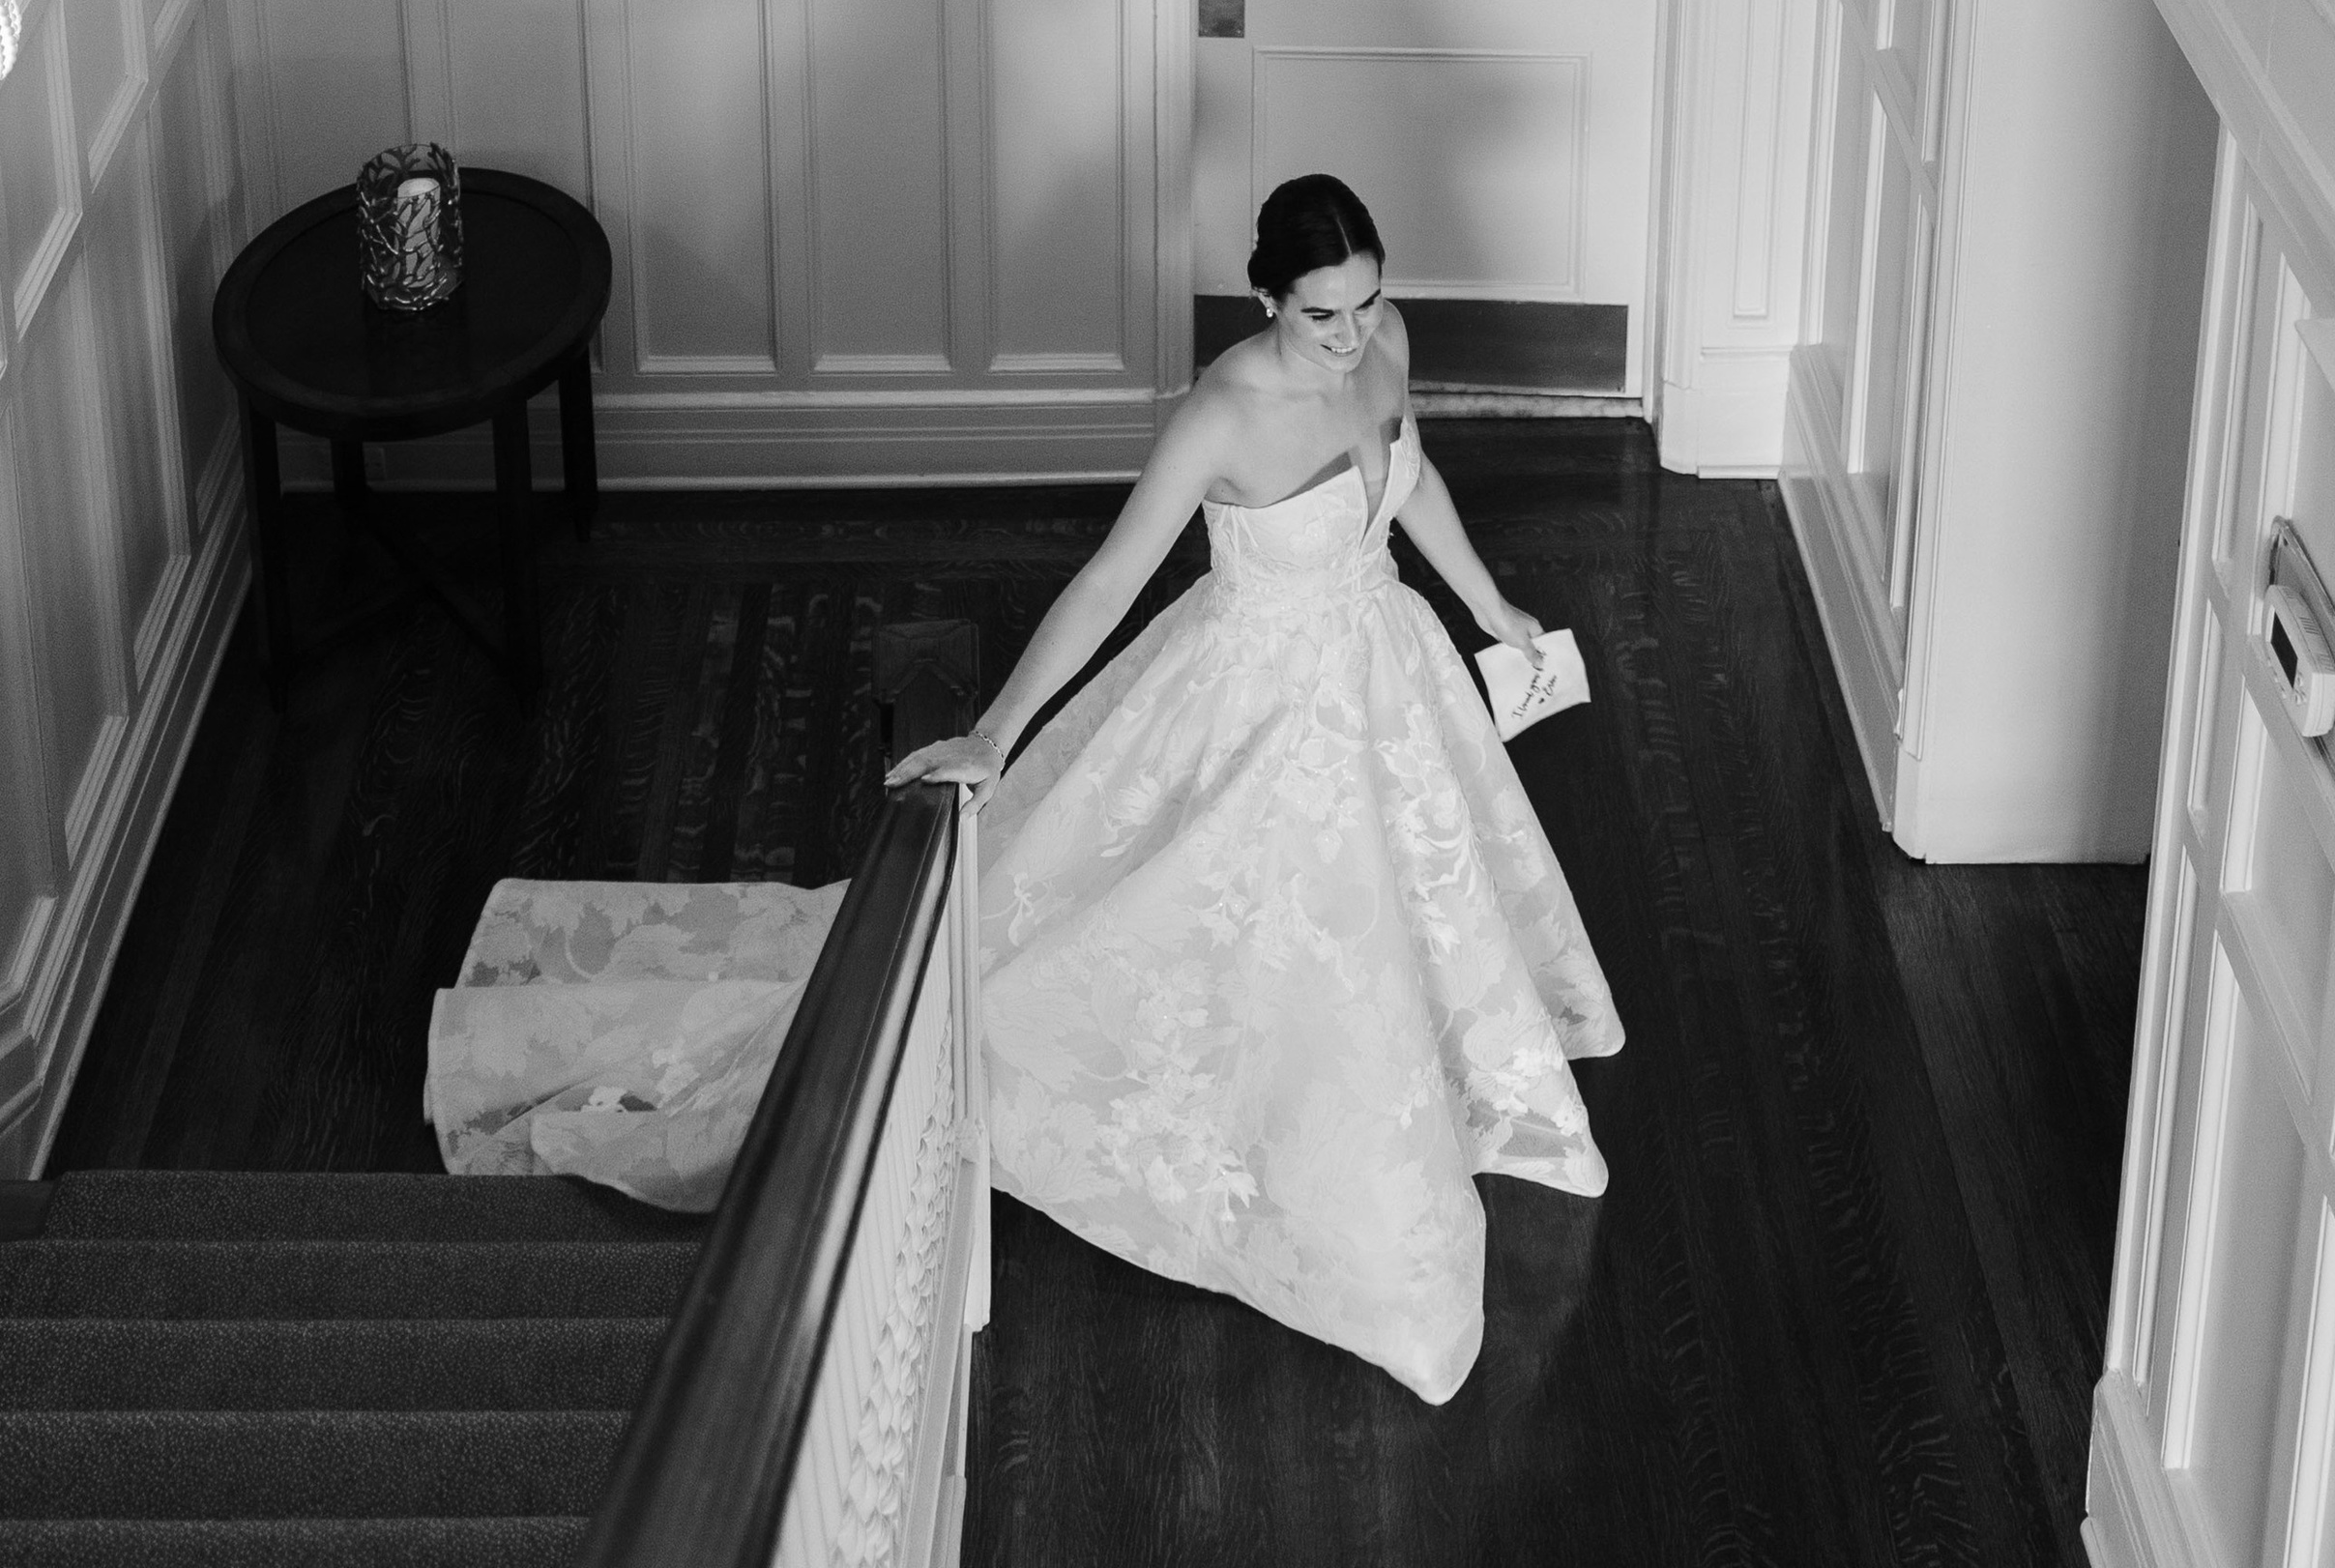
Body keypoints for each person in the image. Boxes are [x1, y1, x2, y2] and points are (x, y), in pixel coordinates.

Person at [424, 175, 1619, 1404]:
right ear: (1265, 297)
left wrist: (1490, 607)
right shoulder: (1221, 415)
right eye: (1321, 314)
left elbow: (1408, 476)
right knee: (1205, 922)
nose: (1351, 336)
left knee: (1394, 901)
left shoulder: (1389, 343)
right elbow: (1107, 584)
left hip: (1383, 669)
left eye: (1366, 304)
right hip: (1257, 710)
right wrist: (995, 735)